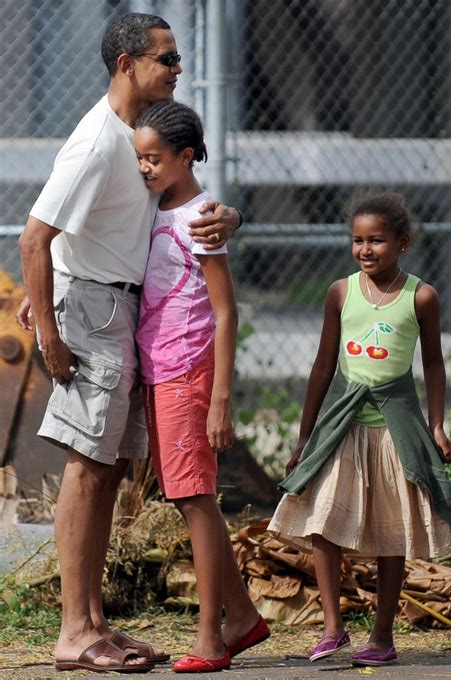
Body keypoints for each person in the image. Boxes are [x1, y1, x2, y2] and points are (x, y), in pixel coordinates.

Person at [18, 13, 243, 674]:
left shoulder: (141, 138)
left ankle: (94, 624)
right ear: (127, 65)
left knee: (110, 467)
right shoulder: (96, 142)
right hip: (91, 308)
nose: (178, 70)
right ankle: (73, 633)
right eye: (166, 60)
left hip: (123, 308)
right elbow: (35, 236)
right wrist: (54, 332)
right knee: (88, 469)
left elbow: (175, 200)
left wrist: (228, 215)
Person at [268, 191, 451, 667]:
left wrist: (437, 425)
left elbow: (433, 364)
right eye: (357, 240)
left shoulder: (421, 296)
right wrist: (304, 435)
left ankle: (381, 635)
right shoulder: (341, 292)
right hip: (343, 427)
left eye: (377, 240)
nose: (365, 249)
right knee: (322, 521)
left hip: (396, 430)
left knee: (392, 535)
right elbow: (322, 366)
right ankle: (333, 628)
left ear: (403, 243)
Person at [133, 99, 270, 673]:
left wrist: (219, 401)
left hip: (189, 371)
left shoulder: (201, 217)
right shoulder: (152, 205)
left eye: (155, 158)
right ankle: (243, 620)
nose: (144, 168)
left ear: (186, 156)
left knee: (197, 502)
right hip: (158, 370)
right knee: (187, 497)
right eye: (139, 158)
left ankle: (211, 637)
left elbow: (226, 310)